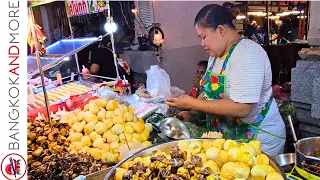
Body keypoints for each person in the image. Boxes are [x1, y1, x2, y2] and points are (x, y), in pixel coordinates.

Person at [166, 4, 286, 156]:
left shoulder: (247, 54)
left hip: (260, 141)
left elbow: (242, 107)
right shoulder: (215, 56)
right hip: (232, 139)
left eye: (204, 37)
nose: (202, 43)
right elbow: (209, 92)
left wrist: (192, 103)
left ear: (221, 30)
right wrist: (193, 111)